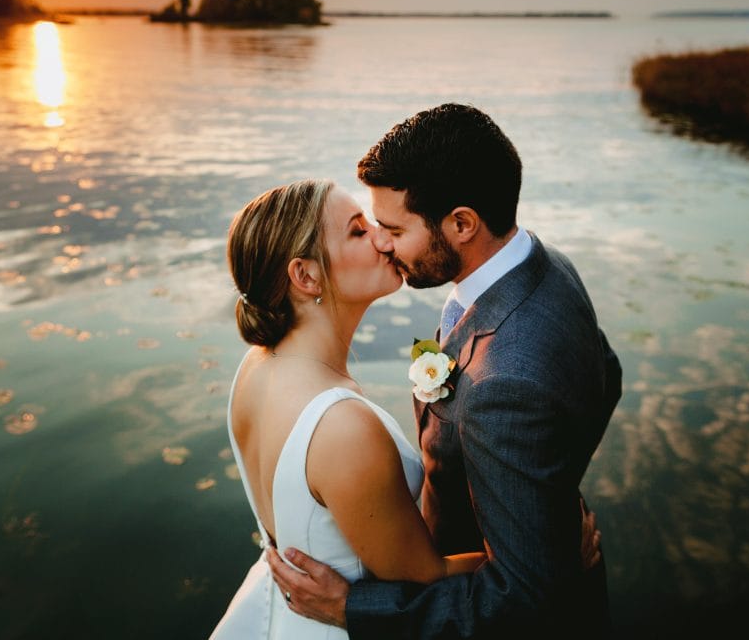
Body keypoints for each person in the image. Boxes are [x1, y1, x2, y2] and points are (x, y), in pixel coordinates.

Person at [265, 103, 623, 638]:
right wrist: (551, 490)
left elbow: (526, 601)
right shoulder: (544, 265)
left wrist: (353, 609)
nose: (381, 242)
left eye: (393, 228)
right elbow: (608, 373)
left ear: (461, 223)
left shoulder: (505, 385)